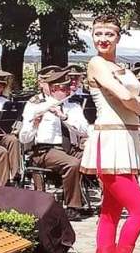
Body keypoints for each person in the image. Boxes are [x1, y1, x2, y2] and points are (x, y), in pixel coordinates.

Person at [80, 14, 140, 253]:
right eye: (98, 34)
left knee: (110, 213)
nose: (103, 39)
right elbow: (127, 97)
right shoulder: (96, 63)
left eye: (109, 34)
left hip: (126, 140)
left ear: (118, 37)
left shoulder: (121, 68)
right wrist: (138, 101)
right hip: (111, 141)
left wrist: (135, 100)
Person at [19, 69, 89, 221]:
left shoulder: (73, 106)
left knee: (97, 157)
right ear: (52, 89)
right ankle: (72, 207)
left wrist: (64, 117)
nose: (68, 91)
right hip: (46, 150)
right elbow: (24, 138)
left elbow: (84, 131)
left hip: (71, 148)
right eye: (63, 89)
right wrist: (35, 124)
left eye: (68, 87)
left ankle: (106, 202)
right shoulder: (36, 105)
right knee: (72, 164)